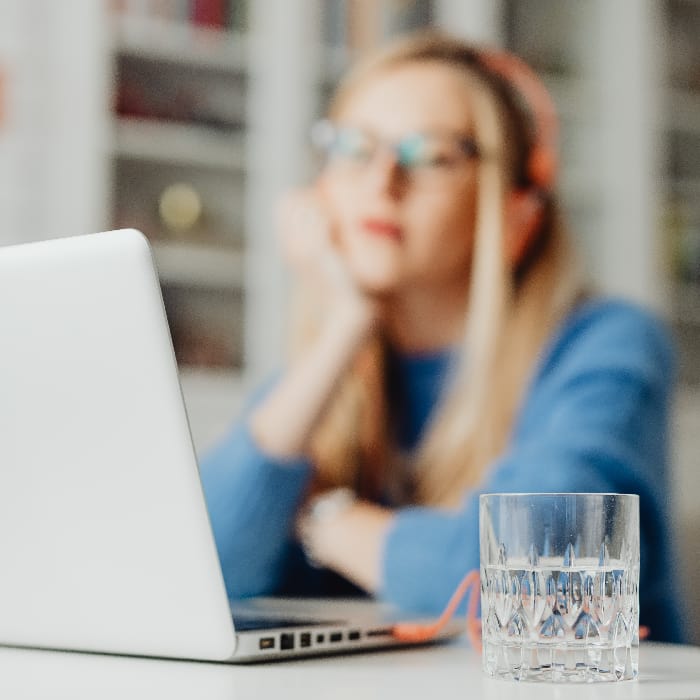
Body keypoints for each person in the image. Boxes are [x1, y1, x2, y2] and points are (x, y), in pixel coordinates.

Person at [200, 31, 685, 643]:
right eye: (353, 148)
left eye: (429, 156)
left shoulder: (605, 346)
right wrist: (343, 326)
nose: (382, 182)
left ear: (517, 212)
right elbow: (201, 573)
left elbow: (536, 585)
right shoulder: (337, 373)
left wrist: (324, 520)